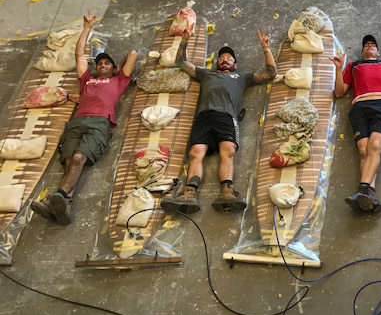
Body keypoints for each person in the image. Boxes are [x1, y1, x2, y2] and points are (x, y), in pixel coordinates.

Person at [31, 12, 137, 225]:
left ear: (114, 68)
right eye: (99, 64)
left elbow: (133, 53)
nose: (102, 66)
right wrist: (87, 27)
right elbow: (79, 56)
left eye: (107, 63)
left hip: (99, 122)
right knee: (70, 161)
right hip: (77, 121)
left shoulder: (119, 81)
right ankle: (63, 204)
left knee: (79, 158)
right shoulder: (87, 80)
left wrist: (118, 68)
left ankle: (58, 196)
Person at [161, 28, 276, 214]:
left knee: (228, 150)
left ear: (235, 65)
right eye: (221, 58)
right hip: (204, 117)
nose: (224, 59)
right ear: (216, 63)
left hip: (227, 117)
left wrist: (266, 49)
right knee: (196, 152)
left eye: (229, 58)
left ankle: (226, 192)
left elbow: (270, 73)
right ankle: (189, 194)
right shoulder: (206, 74)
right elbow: (181, 62)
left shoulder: (241, 77)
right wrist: (184, 41)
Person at [331, 34, 381, 213]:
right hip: (359, 107)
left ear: (377, 52)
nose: (369, 46)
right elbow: (339, 93)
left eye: (373, 45)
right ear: (362, 51)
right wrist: (339, 69)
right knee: (363, 151)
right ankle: (370, 195)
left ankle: (362, 190)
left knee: (375, 146)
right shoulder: (353, 66)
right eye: (366, 45)